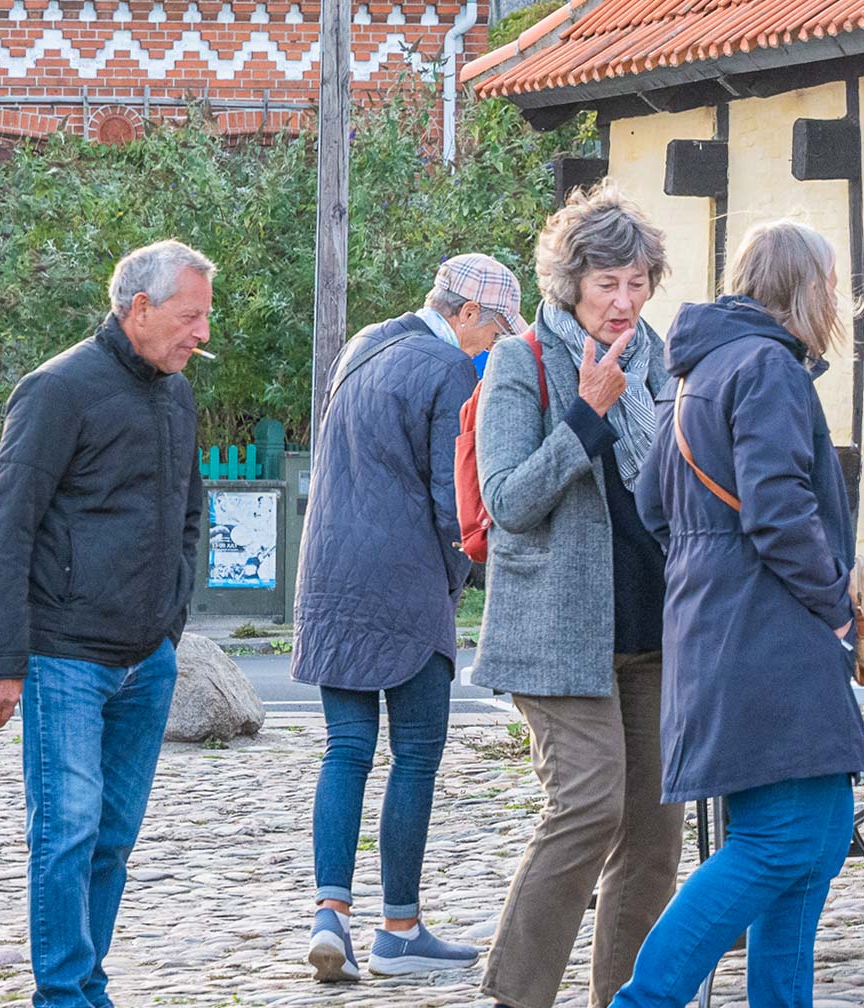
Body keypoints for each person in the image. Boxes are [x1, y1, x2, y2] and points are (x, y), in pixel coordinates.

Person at [608, 219, 864, 1008]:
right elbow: (779, 511)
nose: (837, 298)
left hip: (721, 631)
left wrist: (707, 565)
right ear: (805, 288)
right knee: (780, 841)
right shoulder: (767, 366)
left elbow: (654, 502)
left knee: (816, 838)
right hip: (768, 637)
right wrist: (834, 605)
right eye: (830, 283)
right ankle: (639, 1002)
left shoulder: (703, 369)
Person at [0, 239, 213, 1008]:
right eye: (190, 316)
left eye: (204, 317)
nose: (202, 333)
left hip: (148, 658)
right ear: (138, 309)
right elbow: (6, 528)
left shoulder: (176, 392)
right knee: (67, 833)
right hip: (64, 658)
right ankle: (64, 994)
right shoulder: (57, 390)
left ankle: (87, 981)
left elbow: (189, 515)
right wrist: (2, 660)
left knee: (111, 839)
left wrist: (171, 620)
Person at [474, 182, 684, 1008]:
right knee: (588, 806)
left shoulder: (659, 359)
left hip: (654, 630)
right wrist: (588, 419)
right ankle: (517, 994)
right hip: (556, 633)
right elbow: (509, 500)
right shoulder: (519, 362)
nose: (625, 301)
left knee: (655, 836)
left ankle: (626, 999)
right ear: (571, 285)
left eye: (637, 283)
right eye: (608, 284)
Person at [293, 253, 517, 982]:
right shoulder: (448, 369)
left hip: (328, 577)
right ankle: (400, 929)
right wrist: (474, 574)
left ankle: (331, 916)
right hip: (405, 585)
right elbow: (453, 503)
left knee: (346, 748)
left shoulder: (363, 344)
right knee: (415, 755)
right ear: (464, 314)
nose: (493, 349)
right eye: (494, 331)